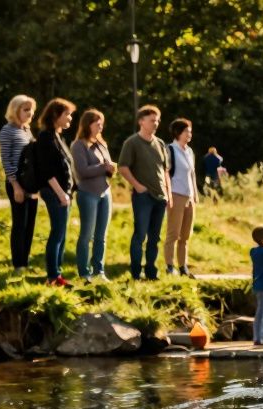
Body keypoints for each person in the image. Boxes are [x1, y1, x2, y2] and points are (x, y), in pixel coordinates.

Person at [119, 105, 171, 280]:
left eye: (157, 120)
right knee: (140, 235)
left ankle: (151, 271)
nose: (155, 123)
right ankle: (135, 272)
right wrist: (138, 186)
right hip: (143, 197)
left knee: (154, 238)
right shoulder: (132, 142)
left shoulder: (161, 143)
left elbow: (165, 172)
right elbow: (123, 167)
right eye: (152, 120)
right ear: (141, 121)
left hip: (160, 197)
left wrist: (168, 195)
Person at [33, 98, 77, 287]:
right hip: (55, 193)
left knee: (62, 234)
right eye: (67, 114)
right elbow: (48, 171)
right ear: (55, 115)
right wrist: (61, 194)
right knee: (57, 233)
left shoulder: (58, 137)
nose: (70, 118)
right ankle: (52, 276)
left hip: (65, 194)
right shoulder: (45, 137)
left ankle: (57, 275)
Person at [71, 109, 116, 282]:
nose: (100, 127)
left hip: (105, 193)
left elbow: (106, 168)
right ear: (87, 124)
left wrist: (110, 169)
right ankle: (84, 272)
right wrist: (103, 168)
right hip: (87, 193)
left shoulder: (101, 144)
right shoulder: (79, 145)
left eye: (102, 123)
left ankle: (99, 270)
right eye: (97, 123)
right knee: (86, 235)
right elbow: (82, 171)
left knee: (101, 235)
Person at [0, 94, 38, 271]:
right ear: (15, 110)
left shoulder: (26, 131)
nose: (29, 113)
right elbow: (6, 161)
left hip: (31, 184)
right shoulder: (7, 130)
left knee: (30, 225)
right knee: (19, 224)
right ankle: (18, 263)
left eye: (31, 110)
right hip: (17, 184)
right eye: (25, 109)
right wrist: (15, 186)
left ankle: (25, 261)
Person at [164, 118, 199, 277]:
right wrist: (168, 196)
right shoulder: (170, 149)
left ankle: (183, 267)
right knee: (173, 233)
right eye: (187, 131)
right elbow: (165, 173)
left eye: (190, 132)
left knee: (185, 235)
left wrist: (195, 195)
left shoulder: (189, 151)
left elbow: (192, 174)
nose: (189, 134)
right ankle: (170, 267)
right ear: (178, 132)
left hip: (189, 196)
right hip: (176, 195)